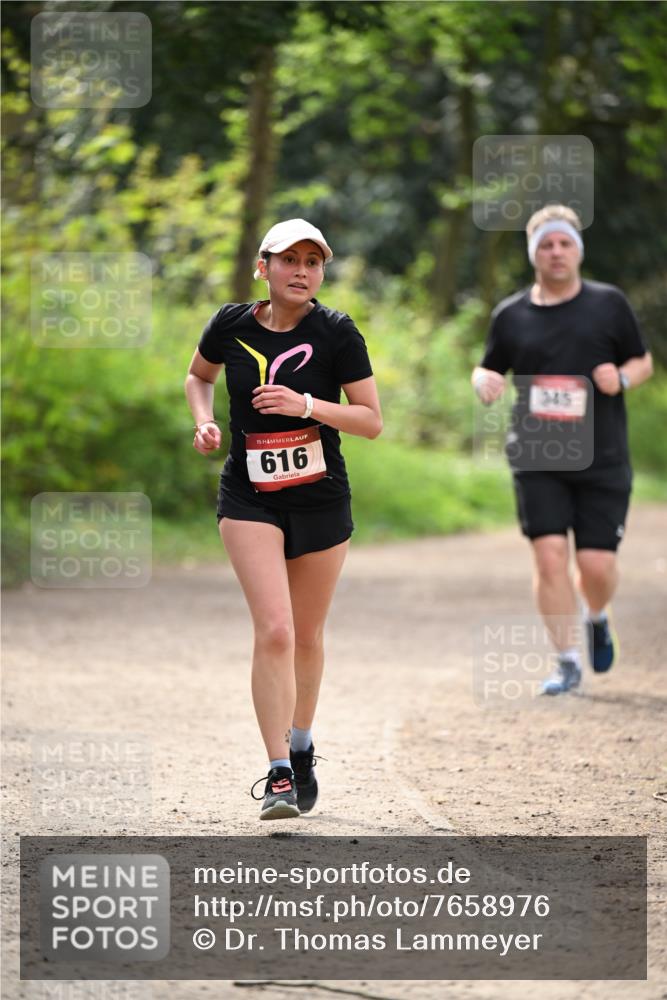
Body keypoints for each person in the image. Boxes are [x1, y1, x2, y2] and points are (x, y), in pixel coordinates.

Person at [185, 218, 382, 818]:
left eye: (313, 261)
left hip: (321, 496)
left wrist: (306, 406)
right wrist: (204, 419)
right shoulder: (230, 324)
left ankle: (301, 748)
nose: (302, 271)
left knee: (306, 635)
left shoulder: (337, 332)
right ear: (262, 267)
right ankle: (276, 774)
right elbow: (199, 376)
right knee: (274, 629)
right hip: (250, 495)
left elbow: (370, 419)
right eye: (289, 259)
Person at [472, 204, 653, 695]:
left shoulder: (608, 304)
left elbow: (643, 361)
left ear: (577, 250)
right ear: (534, 254)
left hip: (603, 456)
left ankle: (596, 615)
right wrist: (482, 379)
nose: (556, 252)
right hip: (537, 455)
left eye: (564, 243)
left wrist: (620, 377)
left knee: (595, 565)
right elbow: (490, 366)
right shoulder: (510, 315)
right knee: (549, 557)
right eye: (546, 245)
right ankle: (567, 661)